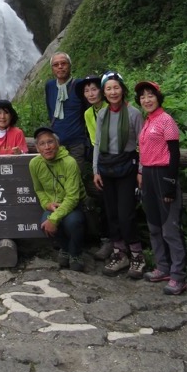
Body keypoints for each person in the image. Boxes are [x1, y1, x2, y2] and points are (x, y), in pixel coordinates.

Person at [136, 81, 187, 295]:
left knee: (169, 228)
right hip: (148, 175)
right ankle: (163, 267)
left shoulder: (167, 121)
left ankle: (178, 276)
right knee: (154, 226)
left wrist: (170, 184)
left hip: (163, 174)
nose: (146, 100)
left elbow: (174, 154)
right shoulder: (147, 121)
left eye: (150, 95)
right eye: (142, 96)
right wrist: (140, 172)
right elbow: (143, 150)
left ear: (158, 97)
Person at [93, 71, 145, 279]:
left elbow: (143, 144)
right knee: (112, 213)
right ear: (104, 93)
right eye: (108, 88)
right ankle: (119, 252)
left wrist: (141, 170)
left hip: (127, 167)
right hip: (106, 167)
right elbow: (97, 143)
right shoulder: (102, 114)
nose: (113, 92)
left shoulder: (134, 114)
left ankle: (137, 255)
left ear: (122, 89)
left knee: (126, 214)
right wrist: (96, 170)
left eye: (116, 87)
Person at [30, 126, 86, 272]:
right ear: (37, 148)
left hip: (72, 205)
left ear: (58, 144)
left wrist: (54, 218)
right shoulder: (35, 164)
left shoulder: (69, 163)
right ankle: (65, 248)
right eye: (42, 144)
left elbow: (73, 197)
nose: (47, 147)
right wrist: (46, 204)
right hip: (53, 206)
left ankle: (75, 253)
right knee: (44, 223)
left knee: (72, 222)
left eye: (50, 142)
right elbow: (39, 189)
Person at [75, 74, 112, 261]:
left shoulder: (113, 108)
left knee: (120, 205)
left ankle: (126, 247)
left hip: (120, 162)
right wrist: (97, 169)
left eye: (94, 89)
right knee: (106, 203)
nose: (90, 93)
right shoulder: (89, 114)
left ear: (102, 90)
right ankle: (109, 242)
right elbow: (95, 143)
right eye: (86, 90)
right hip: (103, 163)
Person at [45, 52, 87, 168]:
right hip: (56, 143)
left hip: (76, 143)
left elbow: (88, 111)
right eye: (56, 64)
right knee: (59, 179)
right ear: (52, 69)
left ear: (70, 65)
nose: (60, 67)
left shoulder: (80, 85)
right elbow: (50, 110)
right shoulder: (49, 86)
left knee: (75, 178)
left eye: (63, 63)